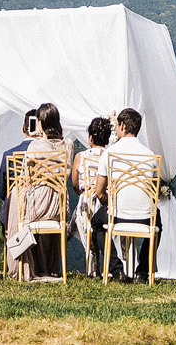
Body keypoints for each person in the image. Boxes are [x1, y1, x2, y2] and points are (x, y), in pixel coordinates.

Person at [5, 102, 70, 280]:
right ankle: (48, 265)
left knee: (15, 197)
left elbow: (27, 178)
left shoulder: (34, 146)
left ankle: (19, 263)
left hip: (37, 204)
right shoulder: (68, 145)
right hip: (57, 205)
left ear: (40, 122)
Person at [96, 108, 160, 282]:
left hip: (117, 214)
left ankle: (116, 270)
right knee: (158, 222)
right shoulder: (151, 155)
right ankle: (143, 272)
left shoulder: (110, 153)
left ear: (122, 126)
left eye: (117, 126)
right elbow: (153, 190)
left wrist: (109, 202)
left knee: (96, 223)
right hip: (145, 217)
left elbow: (98, 191)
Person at [72, 115, 111, 279]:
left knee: (73, 222)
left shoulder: (80, 157)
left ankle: (93, 267)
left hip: (85, 205)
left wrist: (83, 193)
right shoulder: (110, 156)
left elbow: (74, 184)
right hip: (106, 203)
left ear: (90, 138)